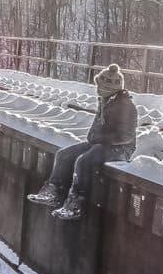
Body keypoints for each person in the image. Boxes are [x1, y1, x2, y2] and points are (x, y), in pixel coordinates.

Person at [28, 63, 138, 220]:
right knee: (64, 155)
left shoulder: (125, 106)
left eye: (99, 85)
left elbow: (126, 137)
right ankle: (53, 192)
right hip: (100, 145)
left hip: (120, 149)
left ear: (108, 87)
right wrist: (94, 139)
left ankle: (75, 204)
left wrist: (99, 139)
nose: (97, 88)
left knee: (84, 161)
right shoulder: (106, 101)